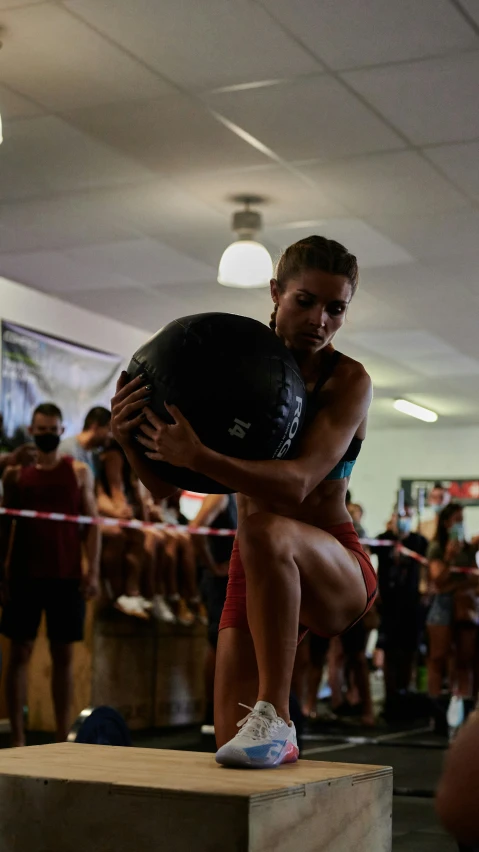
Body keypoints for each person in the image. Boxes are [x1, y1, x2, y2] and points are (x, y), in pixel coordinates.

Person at [110, 235, 377, 769]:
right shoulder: (232, 362)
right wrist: (129, 439)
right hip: (254, 571)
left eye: (336, 308)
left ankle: (276, 713)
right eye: (306, 301)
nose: (320, 319)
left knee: (261, 529)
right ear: (276, 292)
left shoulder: (348, 380)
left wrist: (200, 456)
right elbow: (162, 488)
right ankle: (276, 741)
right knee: (234, 753)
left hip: (333, 566)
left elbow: (298, 484)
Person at [0, 403, 100, 746]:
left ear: (61, 431)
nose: (45, 435)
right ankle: (16, 737)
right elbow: (3, 525)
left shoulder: (78, 473)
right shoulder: (15, 474)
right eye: (39, 430)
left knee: (64, 657)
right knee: (19, 654)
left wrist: (93, 570)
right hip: (24, 575)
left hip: (66, 576)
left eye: (51, 430)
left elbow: (93, 526)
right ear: (31, 431)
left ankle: (61, 737)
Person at [374, 504, 428, 715]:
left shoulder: (418, 541)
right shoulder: (384, 538)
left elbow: (426, 565)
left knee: (409, 650)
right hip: (388, 604)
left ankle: (405, 690)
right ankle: (391, 695)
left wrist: (425, 591)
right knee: (389, 650)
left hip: (411, 604)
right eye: (399, 515)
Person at [193, 494, 238, 731]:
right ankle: (210, 715)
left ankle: (225, 710)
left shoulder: (244, 496)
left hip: (236, 580)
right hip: (219, 580)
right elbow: (196, 528)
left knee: (232, 645)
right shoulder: (221, 495)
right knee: (217, 641)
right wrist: (212, 566)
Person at [427, 503, 479, 701]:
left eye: (462, 520)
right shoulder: (437, 547)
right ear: (446, 523)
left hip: (465, 605)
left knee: (465, 659)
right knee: (438, 657)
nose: (460, 524)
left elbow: (474, 577)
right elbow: (437, 580)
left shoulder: (468, 548)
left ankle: (463, 704)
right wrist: (449, 558)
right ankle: (436, 706)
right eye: (457, 520)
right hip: (443, 605)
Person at [60, 406, 111, 475]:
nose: (111, 435)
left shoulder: (94, 453)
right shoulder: (67, 449)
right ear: (94, 426)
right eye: (109, 429)